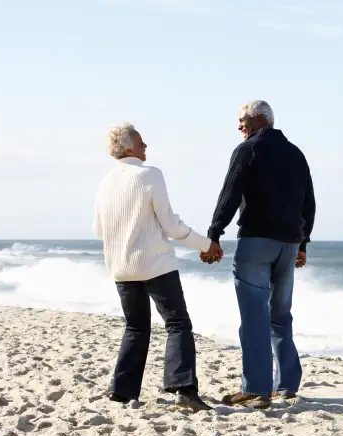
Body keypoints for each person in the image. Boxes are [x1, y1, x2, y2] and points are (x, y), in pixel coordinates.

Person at [201, 100, 315, 409]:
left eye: (242, 121)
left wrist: (214, 233)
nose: (239, 126)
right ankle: (287, 385)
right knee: (280, 315)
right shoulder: (296, 154)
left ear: (259, 120)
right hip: (288, 245)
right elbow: (309, 202)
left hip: (256, 242)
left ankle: (256, 389)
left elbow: (230, 193)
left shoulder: (248, 150)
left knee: (254, 316)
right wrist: (303, 244)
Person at [93, 122, 212, 411]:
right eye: (141, 141)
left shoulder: (106, 181)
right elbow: (171, 225)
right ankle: (183, 390)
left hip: (121, 267)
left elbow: (99, 229)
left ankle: (122, 392)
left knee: (135, 327)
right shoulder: (150, 175)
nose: (146, 146)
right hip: (155, 264)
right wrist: (207, 246)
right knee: (178, 323)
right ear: (129, 147)